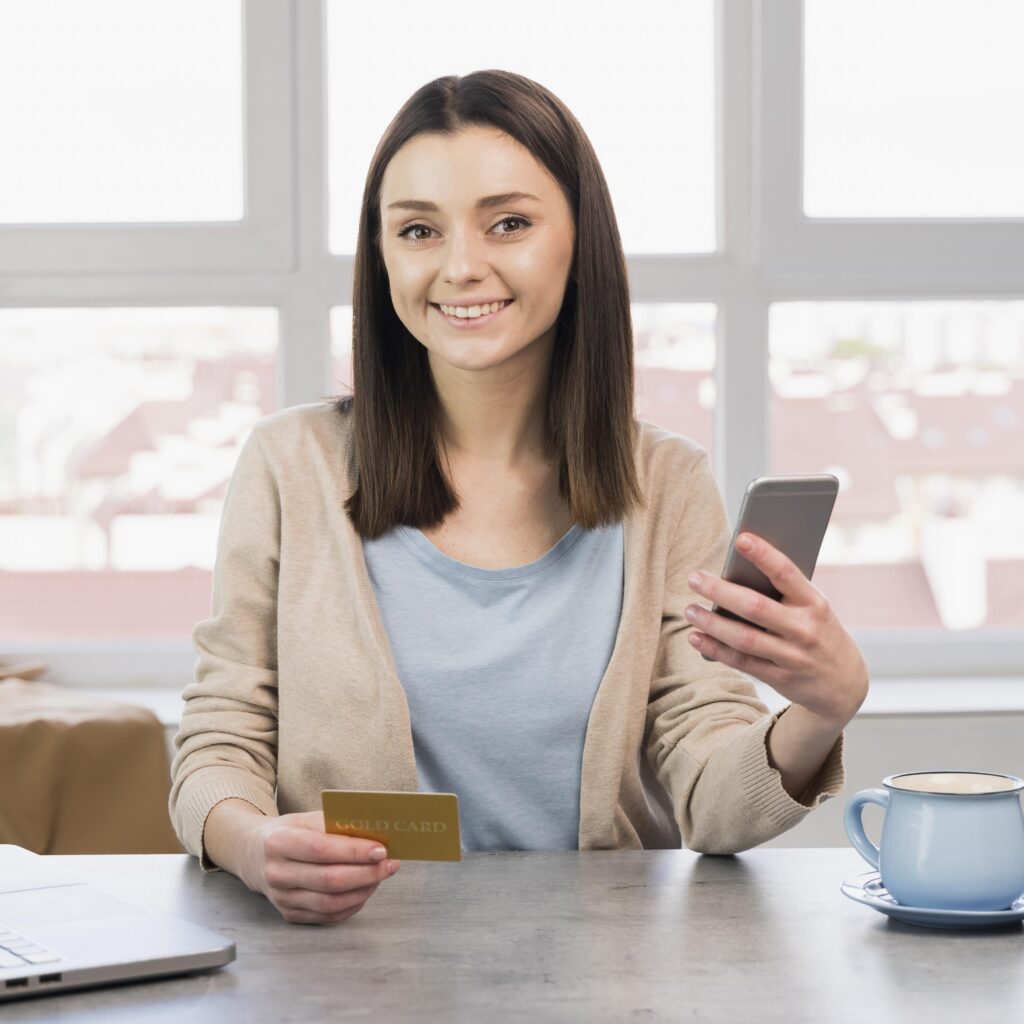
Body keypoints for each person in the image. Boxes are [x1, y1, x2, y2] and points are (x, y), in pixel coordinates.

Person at [169, 70, 869, 926]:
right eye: (419, 229)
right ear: (382, 253)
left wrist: (820, 711)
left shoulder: (668, 486)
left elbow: (714, 805)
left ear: (579, 240)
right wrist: (252, 845)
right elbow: (221, 737)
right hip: (348, 964)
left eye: (509, 223)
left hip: (602, 972)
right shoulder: (290, 465)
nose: (462, 267)